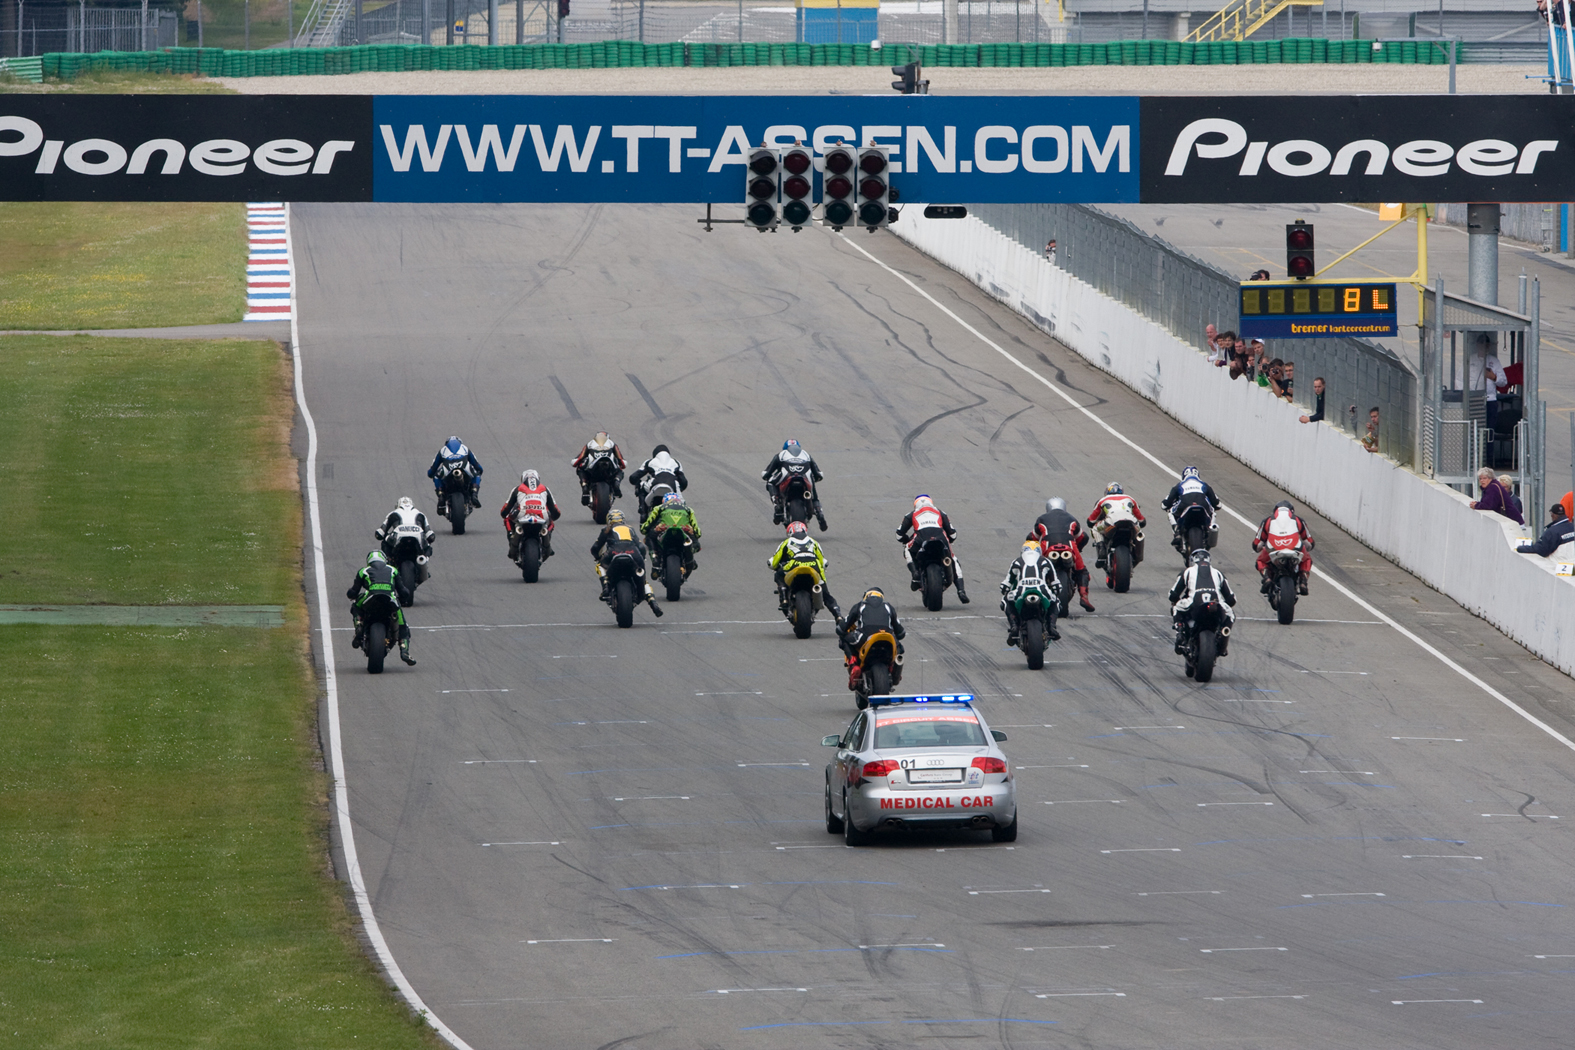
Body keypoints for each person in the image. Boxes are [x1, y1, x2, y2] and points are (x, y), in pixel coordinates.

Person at [896, 494, 971, 603]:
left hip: (921, 538)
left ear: (915, 505)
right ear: (931, 502)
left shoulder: (911, 514)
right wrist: (949, 540)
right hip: (940, 538)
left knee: (907, 548)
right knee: (953, 559)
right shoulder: (940, 512)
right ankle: (961, 591)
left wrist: (906, 540)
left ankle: (915, 573)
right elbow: (953, 534)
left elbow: (899, 535)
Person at [347, 551, 416, 665]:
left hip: (370, 597)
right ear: (384, 560)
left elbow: (353, 591)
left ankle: (359, 625)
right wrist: (405, 596)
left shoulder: (363, 571)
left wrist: (351, 594)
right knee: (403, 625)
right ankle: (404, 651)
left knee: (356, 605)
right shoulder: (393, 570)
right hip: (390, 598)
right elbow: (404, 591)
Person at [767, 520, 843, 622]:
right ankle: (838, 615)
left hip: (794, 565)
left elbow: (773, 563)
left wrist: (774, 565)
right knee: (826, 594)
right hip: (814, 566)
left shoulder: (786, 542)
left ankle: (784, 598)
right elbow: (824, 563)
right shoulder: (813, 542)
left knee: (779, 574)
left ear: (790, 532)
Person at [590, 509, 663, 615]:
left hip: (614, 553)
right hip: (633, 554)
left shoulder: (606, 529)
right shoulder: (630, 529)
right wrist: (641, 558)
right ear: (623, 520)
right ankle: (652, 602)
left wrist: (598, 557)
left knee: (600, 566)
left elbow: (595, 548)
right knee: (643, 579)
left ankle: (606, 586)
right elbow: (641, 547)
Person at [1168, 548, 1236, 657]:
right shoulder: (1218, 573)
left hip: (1195, 604)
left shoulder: (1187, 571)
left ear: (1192, 560)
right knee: (1231, 614)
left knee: (1176, 607)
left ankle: (1179, 632)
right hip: (1216, 606)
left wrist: (1177, 601)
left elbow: (1172, 595)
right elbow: (1232, 599)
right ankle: (1224, 635)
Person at [1031, 496, 1095, 611]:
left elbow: (1032, 538)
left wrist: (1032, 552)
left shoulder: (1041, 518)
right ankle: (1084, 597)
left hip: (1047, 547)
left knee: (1036, 570)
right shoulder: (1071, 518)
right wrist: (1078, 550)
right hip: (1069, 546)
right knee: (1081, 571)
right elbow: (1083, 537)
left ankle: (1035, 594)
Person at [838, 586, 906, 687]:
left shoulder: (860, 605)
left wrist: (843, 629)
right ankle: (894, 667)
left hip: (865, 636)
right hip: (887, 637)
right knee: (900, 647)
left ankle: (853, 665)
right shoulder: (888, 607)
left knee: (843, 638)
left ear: (866, 596)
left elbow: (841, 628)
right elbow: (901, 633)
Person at [1000, 539, 1061, 647]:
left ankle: (1014, 626)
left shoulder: (1017, 561)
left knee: (1005, 600)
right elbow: (1056, 584)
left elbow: (1006, 584)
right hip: (1042, 590)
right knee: (1056, 601)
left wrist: (1005, 590)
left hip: (1021, 591)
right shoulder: (1046, 561)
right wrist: (1056, 591)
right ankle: (1052, 626)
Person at [1253, 499, 1315, 596]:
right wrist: (1306, 548)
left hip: (1274, 548)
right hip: (1294, 548)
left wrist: (1260, 546)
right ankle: (1303, 581)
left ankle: (1267, 578)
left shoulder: (1268, 521)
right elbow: (1310, 542)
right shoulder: (1298, 520)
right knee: (1307, 559)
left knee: (1260, 561)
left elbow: (1256, 544)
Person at [1087, 483, 1147, 582]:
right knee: (1140, 534)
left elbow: (1091, 521)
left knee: (1094, 528)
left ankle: (1102, 551)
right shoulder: (1130, 498)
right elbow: (1142, 520)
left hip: (1112, 522)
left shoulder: (1102, 500)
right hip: (1131, 522)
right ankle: (1138, 554)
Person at [762, 439, 827, 530]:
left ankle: (777, 503)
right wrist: (816, 478)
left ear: (784, 448)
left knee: (770, 482)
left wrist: (766, 475)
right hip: (805, 476)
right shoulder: (806, 454)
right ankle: (820, 515)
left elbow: (766, 473)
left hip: (787, 475)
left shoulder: (781, 454)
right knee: (813, 494)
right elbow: (818, 474)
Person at [500, 469, 561, 562]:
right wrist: (551, 517)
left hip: (522, 513)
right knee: (551, 522)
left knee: (507, 519)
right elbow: (556, 512)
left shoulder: (517, 489)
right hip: (542, 514)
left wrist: (506, 514)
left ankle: (512, 536)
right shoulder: (545, 488)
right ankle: (547, 538)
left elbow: (505, 510)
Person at [641, 491, 702, 578]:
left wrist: (651, 529)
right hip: (684, 531)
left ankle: (656, 560)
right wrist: (691, 531)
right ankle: (690, 559)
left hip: (665, 530)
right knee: (696, 544)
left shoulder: (659, 507)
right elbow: (698, 532)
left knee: (649, 538)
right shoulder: (688, 509)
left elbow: (645, 528)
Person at [1162, 466, 1220, 550]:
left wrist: (1169, 505)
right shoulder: (1204, 485)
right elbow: (1218, 504)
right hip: (1203, 505)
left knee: (1171, 512)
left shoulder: (1179, 485)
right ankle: (1210, 529)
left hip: (1185, 504)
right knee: (1213, 512)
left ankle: (1177, 533)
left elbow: (1164, 504)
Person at [628, 444, 688, 517]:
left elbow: (633, 477)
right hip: (672, 485)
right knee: (683, 506)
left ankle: (643, 510)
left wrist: (637, 483)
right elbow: (684, 482)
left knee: (641, 485)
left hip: (655, 484)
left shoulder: (650, 461)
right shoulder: (676, 462)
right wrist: (678, 489)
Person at [427, 436, 483, 513]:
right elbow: (477, 465)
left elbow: (432, 470)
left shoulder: (442, 451)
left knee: (436, 476)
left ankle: (441, 495)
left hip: (448, 469)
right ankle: (474, 493)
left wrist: (430, 474)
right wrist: (480, 470)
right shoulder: (465, 448)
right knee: (476, 475)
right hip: (464, 467)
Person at [571, 431, 627, 505]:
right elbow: (622, 462)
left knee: (580, 468)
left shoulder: (590, 444)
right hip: (609, 469)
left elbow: (578, 460)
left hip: (593, 469)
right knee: (620, 470)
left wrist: (578, 463)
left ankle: (585, 488)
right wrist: (621, 464)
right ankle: (616, 483)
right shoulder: (612, 444)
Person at [1467, 334, 1503, 434]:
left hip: (1490, 400)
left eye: (1486, 345)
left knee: (1489, 431)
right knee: (1473, 430)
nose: (1484, 347)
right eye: (1481, 344)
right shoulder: (1470, 360)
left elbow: (1503, 382)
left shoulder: (1494, 361)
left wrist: (1494, 377)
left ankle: (1489, 450)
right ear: (1477, 345)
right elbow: (1460, 380)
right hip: (1474, 400)